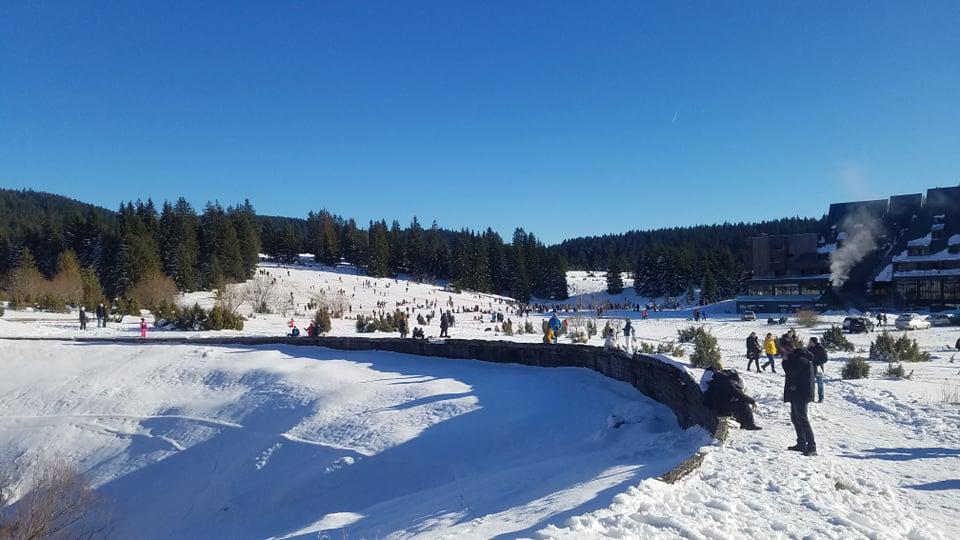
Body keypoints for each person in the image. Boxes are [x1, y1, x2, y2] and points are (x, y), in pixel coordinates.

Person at [781, 339, 817, 456]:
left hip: (802, 393)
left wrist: (785, 361)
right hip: (796, 392)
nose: (783, 352)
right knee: (795, 418)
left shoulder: (801, 358)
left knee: (802, 419)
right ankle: (801, 443)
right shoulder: (796, 356)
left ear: (788, 348)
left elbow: (790, 372)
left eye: (784, 350)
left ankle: (812, 447)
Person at [808, 337, 828, 403]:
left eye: (810, 342)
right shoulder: (809, 348)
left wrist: (818, 363)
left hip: (819, 368)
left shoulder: (820, 348)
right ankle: (811, 398)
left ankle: (821, 398)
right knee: (811, 384)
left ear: (813, 342)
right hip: (811, 368)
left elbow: (825, 358)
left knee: (820, 383)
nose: (809, 343)